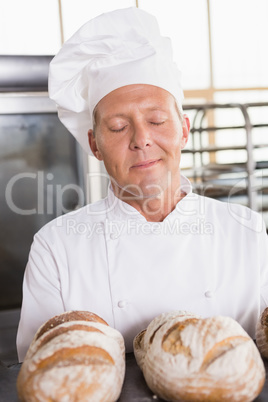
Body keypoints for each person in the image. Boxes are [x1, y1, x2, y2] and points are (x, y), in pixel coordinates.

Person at [16, 7, 268, 362]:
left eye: (157, 120)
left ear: (183, 129)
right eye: (118, 127)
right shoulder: (57, 250)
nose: (141, 140)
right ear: (94, 145)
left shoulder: (248, 233)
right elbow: (43, 372)